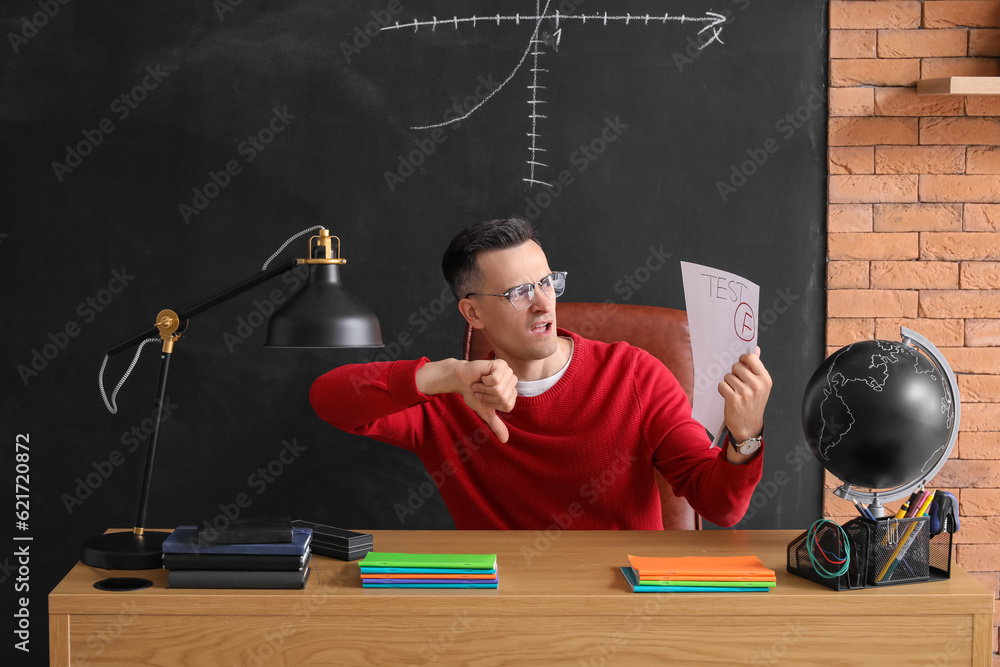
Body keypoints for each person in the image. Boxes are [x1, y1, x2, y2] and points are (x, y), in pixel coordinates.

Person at [310, 218, 770, 529]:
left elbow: (719, 506)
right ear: (472, 313)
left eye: (547, 282)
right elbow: (328, 398)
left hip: (621, 611)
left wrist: (745, 436)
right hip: (501, 613)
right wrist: (444, 375)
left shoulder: (633, 375)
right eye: (518, 292)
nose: (543, 302)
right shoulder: (450, 396)